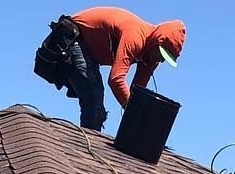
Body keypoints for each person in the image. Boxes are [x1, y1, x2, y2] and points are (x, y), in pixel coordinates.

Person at [41, 8, 186, 133]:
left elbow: (137, 92)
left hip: (89, 52)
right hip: (73, 36)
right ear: (157, 42)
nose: (160, 60)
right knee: (93, 97)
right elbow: (116, 79)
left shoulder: (151, 57)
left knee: (97, 109)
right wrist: (133, 113)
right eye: (161, 54)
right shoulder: (135, 36)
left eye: (165, 59)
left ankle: (91, 137)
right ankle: (86, 148)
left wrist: (141, 119)